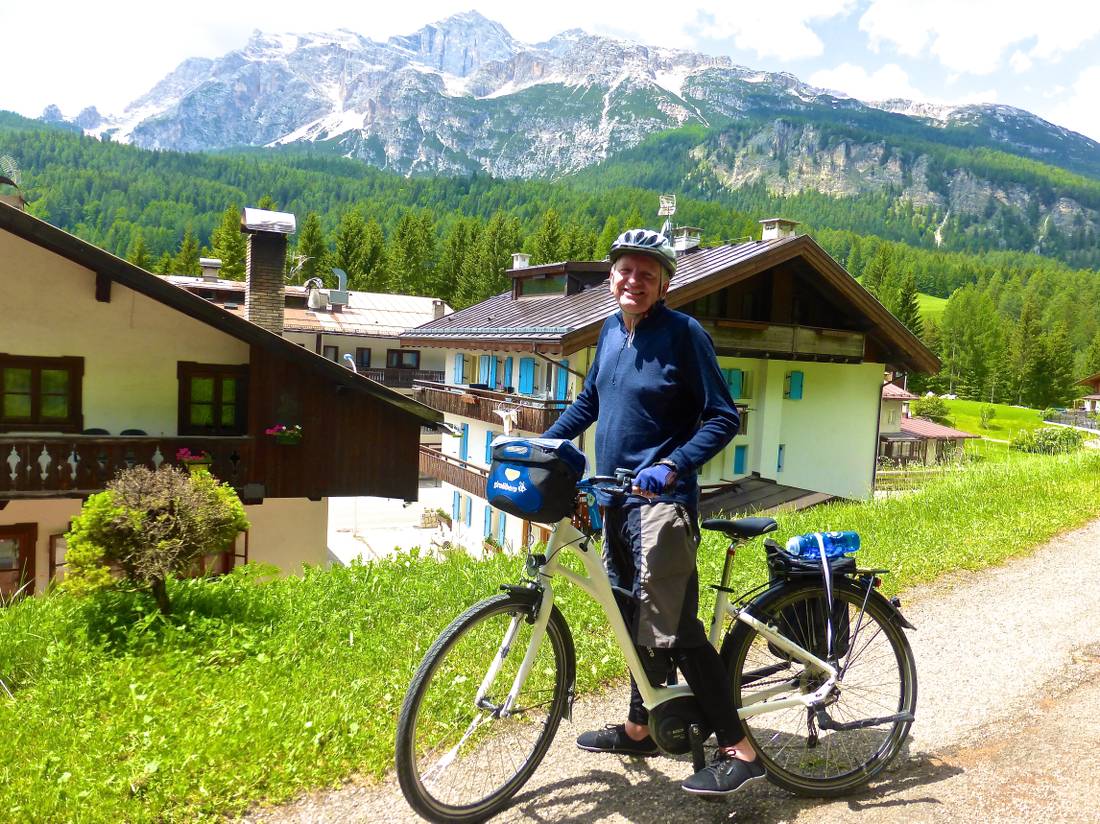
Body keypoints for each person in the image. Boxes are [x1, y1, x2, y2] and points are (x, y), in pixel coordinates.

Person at [541, 228, 764, 795]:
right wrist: (548, 443)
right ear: (610, 275)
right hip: (613, 502)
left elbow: (722, 417)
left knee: (676, 629)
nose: (632, 281)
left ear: (665, 283)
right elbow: (589, 401)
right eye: (624, 270)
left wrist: (673, 465)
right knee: (633, 621)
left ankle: (739, 747)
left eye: (646, 273)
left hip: (661, 507)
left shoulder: (685, 335)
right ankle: (640, 727)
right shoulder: (611, 331)